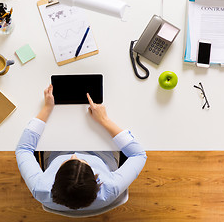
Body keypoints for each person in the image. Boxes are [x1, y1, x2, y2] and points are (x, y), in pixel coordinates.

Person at [15, 85, 147, 211]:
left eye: (67, 162)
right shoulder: (110, 187)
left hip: (58, 149)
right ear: (96, 180)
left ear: (54, 180)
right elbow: (139, 155)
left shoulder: (41, 188)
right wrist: (104, 120)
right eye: (82, 161)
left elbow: (23, 149)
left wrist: (47, 108)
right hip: (101, 155)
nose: (74, 154)